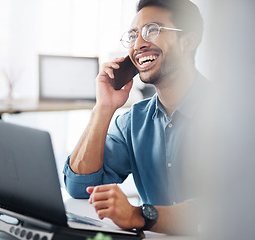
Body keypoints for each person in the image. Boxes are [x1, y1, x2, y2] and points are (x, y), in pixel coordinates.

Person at [63, 0, 208, 235]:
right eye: (133, 35)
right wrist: (104, 107)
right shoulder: (133, 122)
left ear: (188, 42)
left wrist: (139, 215)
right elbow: (80, 186)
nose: (138, 44)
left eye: (153, 30)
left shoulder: (231, 115)